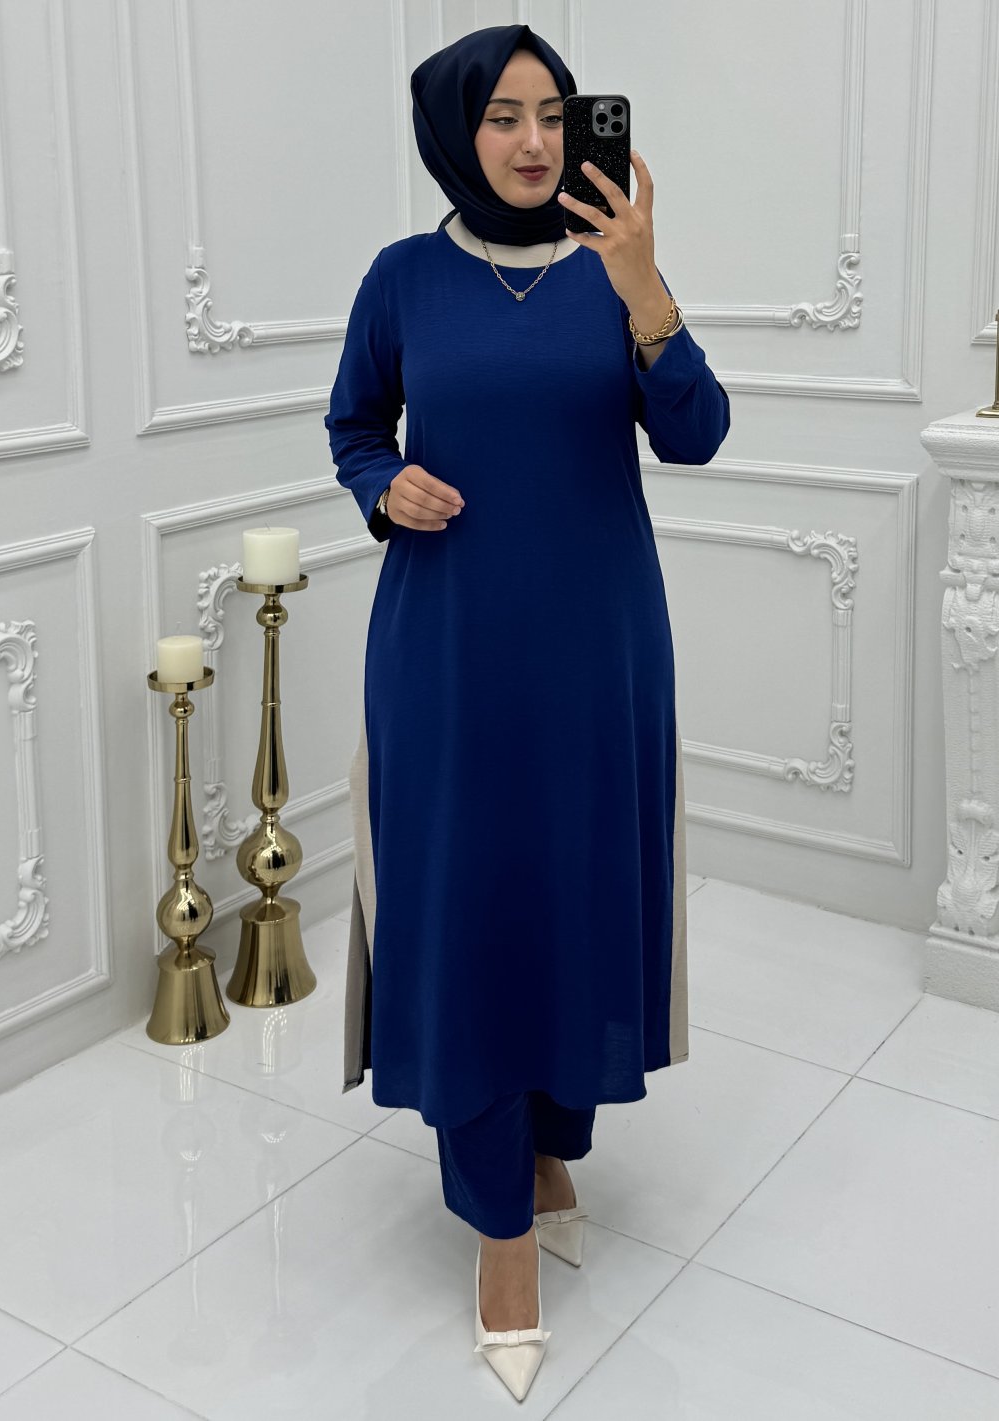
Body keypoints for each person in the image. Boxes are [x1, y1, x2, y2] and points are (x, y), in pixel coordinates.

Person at [325, 23, 730, 1403]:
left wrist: (645, 286)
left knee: (575, 891)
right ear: (457, 129)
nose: (534, 140)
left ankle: (554, 1140)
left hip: (598, 648)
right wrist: (382, 484)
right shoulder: (403, 278)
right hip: (446, 650)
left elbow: (696, 433)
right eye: (502, 115)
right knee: (467, 913)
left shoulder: (615, 272)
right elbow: (353, 427)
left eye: (553, 113)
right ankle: (500, 1227)